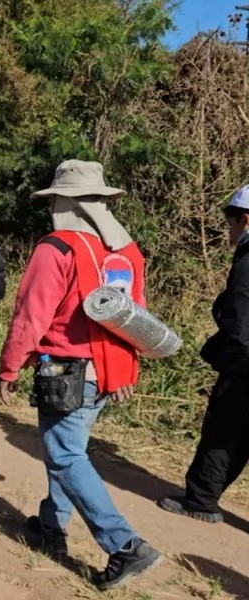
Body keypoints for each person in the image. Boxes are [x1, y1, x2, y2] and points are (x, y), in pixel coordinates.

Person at [0, 160, 162, 590]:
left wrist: (10, 366)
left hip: (68, 372)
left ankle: (125, 546)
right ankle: (51, 526)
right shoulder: (129, 251)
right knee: (70, 451)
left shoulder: (58, 248)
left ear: (64, 202)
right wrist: (126, 369)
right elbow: (134, 317)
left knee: (65, 456)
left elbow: (31, 315)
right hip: (108, 372)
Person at [158, 186, 249, 523]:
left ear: (245, 218)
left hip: (244, 365)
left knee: (223, 431)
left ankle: (200, 500)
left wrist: (229, 357)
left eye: (230, 221)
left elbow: (240, 318)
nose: (229, 229)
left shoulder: (248, 256)